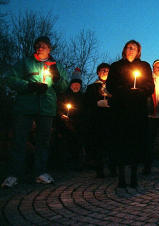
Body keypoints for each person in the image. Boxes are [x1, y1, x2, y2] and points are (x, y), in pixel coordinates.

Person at [2, 36, 68, 188]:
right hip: (25, 107)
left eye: (43, 46)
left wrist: (57, 79)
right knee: (19, 139)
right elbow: (9, 78)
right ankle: (14, 174)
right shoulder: (25, 63)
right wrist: (28, 86)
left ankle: (40, 172)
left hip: (46, 107)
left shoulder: (56, 65)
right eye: (37, 45)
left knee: (43, 141)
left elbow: (64, 86)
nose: (39, 48)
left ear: (49, 49)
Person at [106, 40, 154, 188]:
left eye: (133, 48)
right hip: (120, 110)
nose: (130, 50)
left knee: (136, 142)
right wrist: (125, 91)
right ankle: (121, 177)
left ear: (138, 51)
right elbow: (110, 85)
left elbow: (150, 85)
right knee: (120, 142)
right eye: (128, 47)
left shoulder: (144, 66)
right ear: (124, 50)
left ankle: (134, 176)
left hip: (137, 110)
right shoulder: (116, 66)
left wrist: (140, 91)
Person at [84, 63, 117, 178]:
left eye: (107, 71)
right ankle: (100, 170)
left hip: (112, 119)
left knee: (112, 146)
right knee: (99, 146)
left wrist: (110, 103)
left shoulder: (114, 87)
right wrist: (96, 103)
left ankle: (113, 169)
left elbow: (119, 100)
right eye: (102, 70)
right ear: (98, 72)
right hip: (97, 120)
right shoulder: (91, 87)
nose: (104, 72)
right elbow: (87, 103)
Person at [53, 68, 85, 170]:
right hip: (64, 124)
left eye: (78, 84)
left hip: (78, 125)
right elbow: (58, 107)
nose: (76, 86)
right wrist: (61, 115)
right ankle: (63, 164)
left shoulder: (82, 97)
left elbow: (85, 111)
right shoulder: (63, 95)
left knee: (77, 143)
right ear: (70, 85)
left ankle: (77, 163)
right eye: (74, 84)